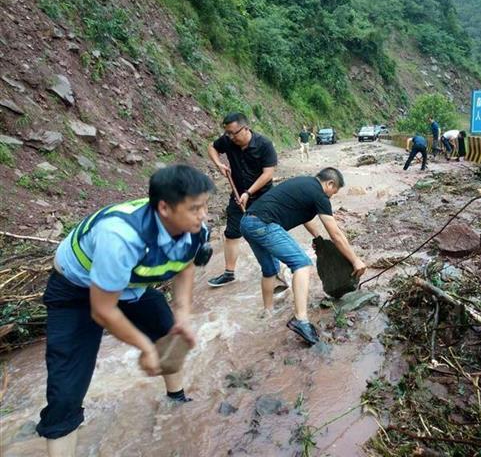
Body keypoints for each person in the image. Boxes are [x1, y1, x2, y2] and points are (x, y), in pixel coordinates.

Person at [36, 165, 214, 457]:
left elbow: (185, 266)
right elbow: (103, 311)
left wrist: (183, 317)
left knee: (167, 330)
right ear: (165, 208)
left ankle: (176, 399)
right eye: (195, 208)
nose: (203, 215)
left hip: (128, 285)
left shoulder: (194, 228)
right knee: (66, 388)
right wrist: (145, 348)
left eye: (205, 206)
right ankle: (61, 434)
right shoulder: (120, 237)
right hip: (76, 290)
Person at [239, 167, 367, 345]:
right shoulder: (320, 195)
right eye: (334, 192)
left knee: (270, 270)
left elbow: (305, 218)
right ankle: (301, 319)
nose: (331, 197)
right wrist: (355, 260)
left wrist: (317, 239)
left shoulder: (303, 184)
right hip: (264, 224)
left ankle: (267, 312)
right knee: (302, 264)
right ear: (330, 184)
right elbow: (336, 234)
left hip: (247, 222)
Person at [207, 112, 279, 288]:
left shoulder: (264, 144)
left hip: (263, 196)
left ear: (245, 128)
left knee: (266, 232)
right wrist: (218, 164)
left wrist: (248, 192)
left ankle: (275, 273)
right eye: (227, 133)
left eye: (234, 133)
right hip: (238, 195)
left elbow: (268, 173)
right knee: (231, 232)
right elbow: (211, 147)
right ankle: (229, 273)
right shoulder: (228, 141)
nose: (230, 137)